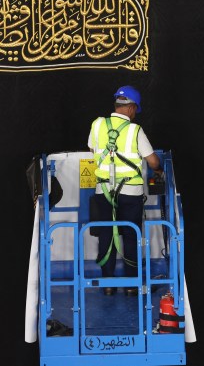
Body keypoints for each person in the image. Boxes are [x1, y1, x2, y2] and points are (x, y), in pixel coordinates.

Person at [88, 86, 162, 295]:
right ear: (131, 108)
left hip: (103, 191)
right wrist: (158, 169)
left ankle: (108, 285)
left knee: (106, 235)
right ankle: (131, 285)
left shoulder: (97, 124)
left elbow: (93, 149)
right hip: (131, 193)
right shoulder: (135, 131)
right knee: (131, 235)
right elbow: (153, 160)